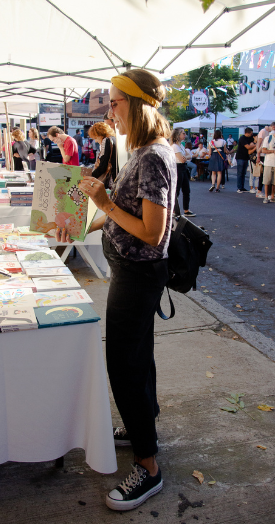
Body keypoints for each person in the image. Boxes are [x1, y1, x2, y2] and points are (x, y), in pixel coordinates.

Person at [78, 69, 176, 512]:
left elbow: (152, 233)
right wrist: (76, 225)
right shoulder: (139, 151)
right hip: (129, 271)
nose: (108, 110)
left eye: (114, 102)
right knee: (138, 357)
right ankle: (143, 429)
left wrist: (104, 204)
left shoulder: (153, 156)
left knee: (124, 363)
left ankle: (148, 467)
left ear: (134, 104)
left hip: (138, 274)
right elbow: (121, 214)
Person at [170, 129, 195, 217]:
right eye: (183, 133)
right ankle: (173, 210)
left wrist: (188, 156)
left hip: (183, 167)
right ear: (177, 135)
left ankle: (186, 209)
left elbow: (187, 156)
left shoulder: (180, 145)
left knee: (186, 190)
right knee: (176, 190)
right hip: (178, 167)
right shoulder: (175, 146)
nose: (185, 135)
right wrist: (188, 156)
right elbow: (182, 158)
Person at [89, 122, 119, 189]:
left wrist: (91, 176)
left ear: (100, 134)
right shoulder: (113, 138)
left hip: (109, 178)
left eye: (96, 138)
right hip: (115, 176)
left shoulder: (106, 140)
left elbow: (103, 165)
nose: (96, 141)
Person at [236, 127, 256, 193]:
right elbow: (248, 147)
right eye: (251, 133)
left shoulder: (249, 138)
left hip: (246, 157)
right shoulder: (242, 138)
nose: (251, 134)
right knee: (240, 173)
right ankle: (239, 187)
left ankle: (242, 187)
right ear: (247, 133)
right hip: (240, 157)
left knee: (243, 173)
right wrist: (255, 146)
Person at [261, 127, 275, 203]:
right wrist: (273, 151)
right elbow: (263, 150)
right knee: (267, 181)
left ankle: (272, 196)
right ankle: (266, 197)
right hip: (268, 163)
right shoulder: (268, 138)